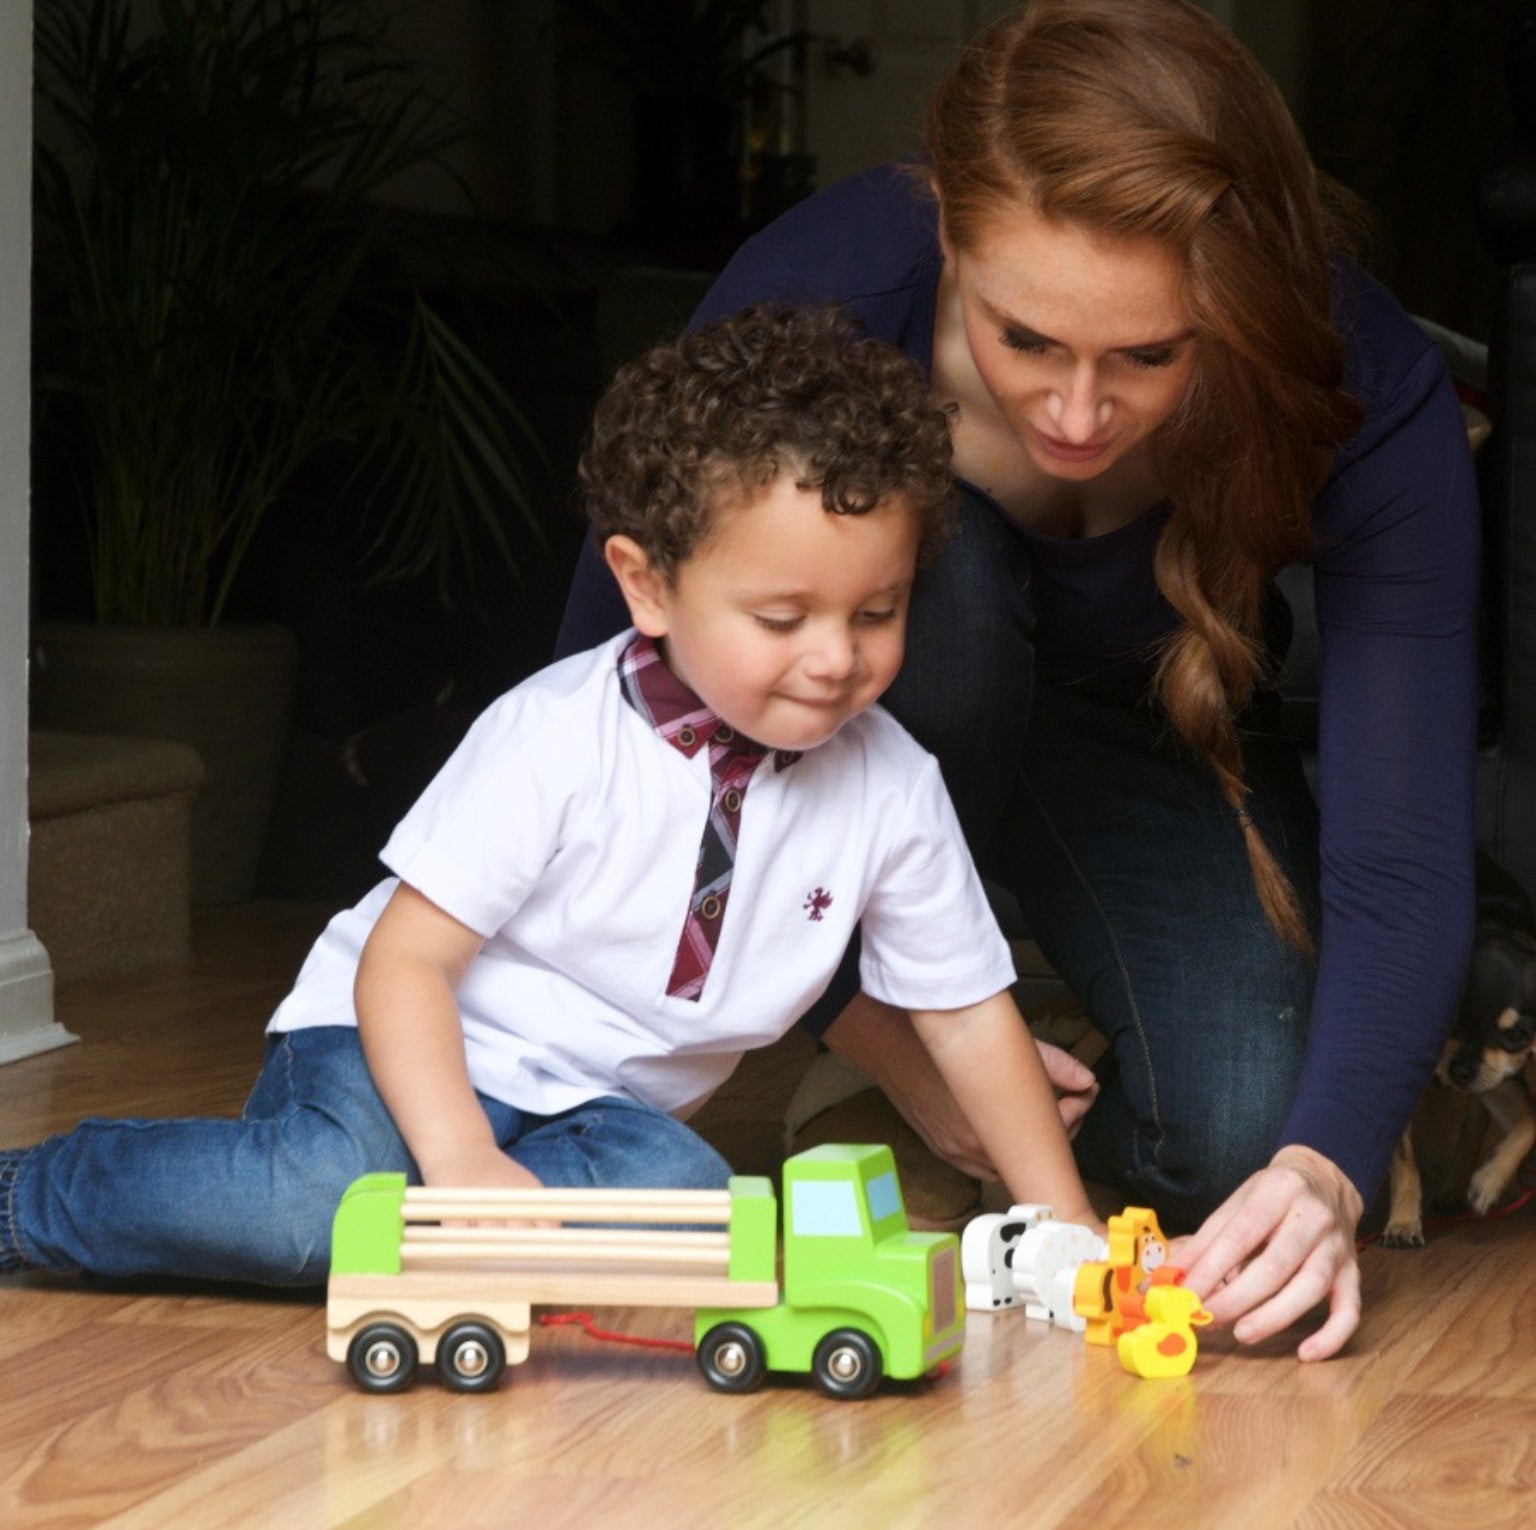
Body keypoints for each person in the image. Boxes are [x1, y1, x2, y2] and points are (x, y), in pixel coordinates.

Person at [555, 0, 1481, 1361]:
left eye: (1149, 357)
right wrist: (879, 1034)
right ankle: (893, 1033)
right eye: (1026, 341)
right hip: (865, 731)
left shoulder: (1367, 380)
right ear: (947, 246)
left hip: (1141, 724)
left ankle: (1023, 1029)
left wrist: (1329, 1166)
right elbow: (598, 713)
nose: (1077, 418)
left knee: (1243, 1134)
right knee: (959, 599)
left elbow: (1400, 849)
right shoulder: (817, 292)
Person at [0, 304, 1098, 1287]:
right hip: (401, 1051)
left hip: (596, 1114)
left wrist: (1065, 1224)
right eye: (781, 618)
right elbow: (408, 964)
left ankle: (465, 1224)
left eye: (877, 613)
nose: (834, 660)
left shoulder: (893, 787)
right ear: (647, 583)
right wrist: (460, 1156)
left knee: (699, 1229)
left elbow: (963, 1014)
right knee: (316, 1210)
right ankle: (24, 1198)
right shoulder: (559, 736)